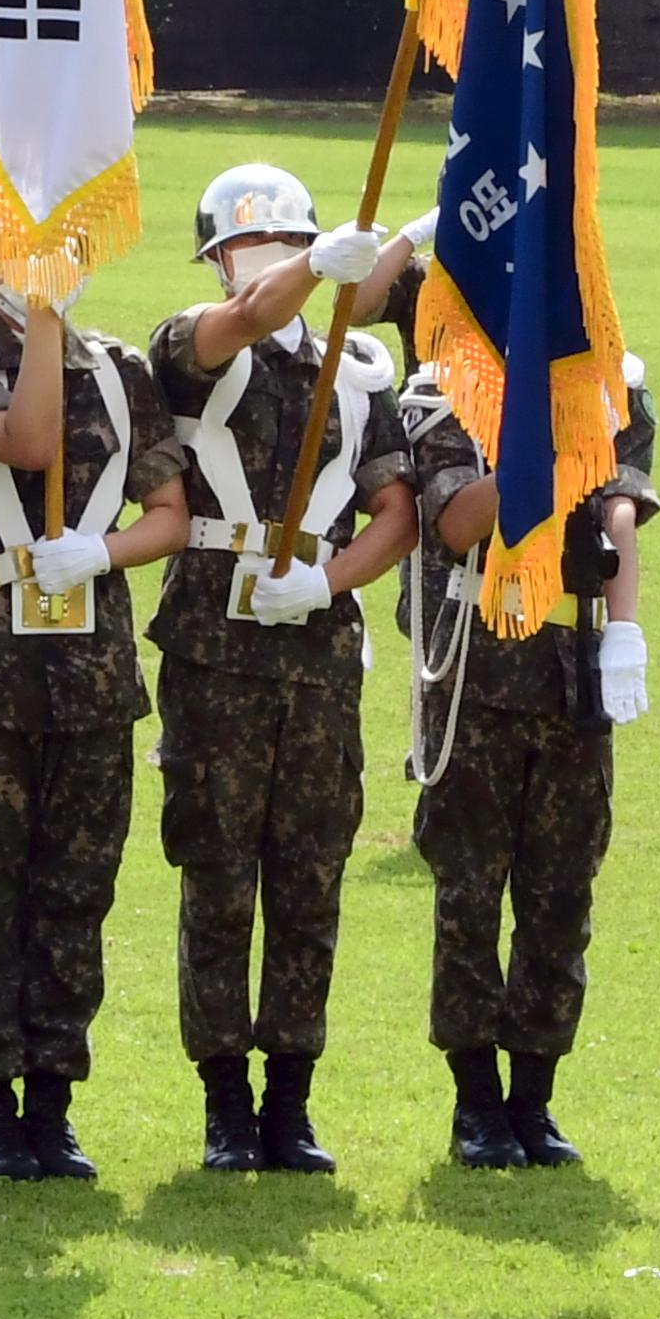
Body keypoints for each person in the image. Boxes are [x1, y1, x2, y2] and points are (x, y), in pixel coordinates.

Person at [150, 164, 414, 1175]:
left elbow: (396, 510)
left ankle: (292, 1095)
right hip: (216, 643)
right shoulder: (192, 343)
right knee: (218, 871)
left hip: (316, 649)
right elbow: (241, 324)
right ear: (218, 259)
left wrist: (332, 580)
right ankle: (224, 1098)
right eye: (246, 249)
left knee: (309, 875)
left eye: (286, 240)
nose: (258, 262)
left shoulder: (359, 371)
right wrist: (309, 264)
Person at [0, 247, 186, 1182]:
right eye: (21, 256)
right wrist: (40, 325)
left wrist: (104, 553)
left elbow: (170, 512)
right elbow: (26, 442)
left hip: (92, 678)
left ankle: (54, 1103)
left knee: (76, 895)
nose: (45, 273)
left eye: (63, 256)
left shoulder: (120, 372)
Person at [399, 353, 653, 1170]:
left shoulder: (609, 385)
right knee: (470, 891)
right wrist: (544, 441)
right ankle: (475, 1100)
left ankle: (533, 1099)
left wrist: (625, 630)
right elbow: (454, 522)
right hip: (478, 666)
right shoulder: (446, 390)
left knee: (561, 893)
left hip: (570, 669)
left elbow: (619, 507)